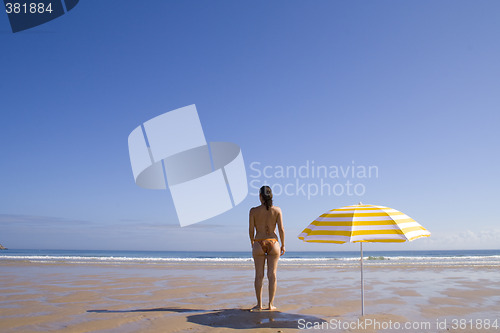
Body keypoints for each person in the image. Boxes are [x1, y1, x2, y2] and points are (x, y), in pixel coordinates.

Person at [249, 185, 285, 311]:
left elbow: (251, 230)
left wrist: (252, 243)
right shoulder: (277, 210)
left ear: (260, 196)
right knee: (272, 275)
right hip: (273, 242)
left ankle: (259, 305)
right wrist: (283, 245)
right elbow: (281, 229)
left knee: (259, 275)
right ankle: (270, 305)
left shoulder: (253, 211)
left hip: (258, 241)